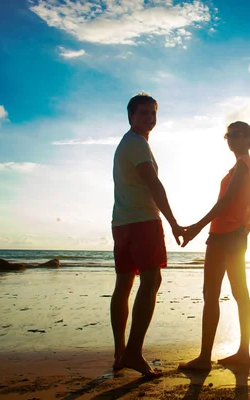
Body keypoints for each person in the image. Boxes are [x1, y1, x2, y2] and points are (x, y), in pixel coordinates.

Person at [110, 92, 183, 377]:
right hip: (142, 221)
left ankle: (120, 353)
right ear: (131, 116)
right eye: (143, 113)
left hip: (122, 222)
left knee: (125, 284)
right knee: (151, 280)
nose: (149, 118)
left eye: (153, 112)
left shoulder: (126, 144)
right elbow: (153, 183)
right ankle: (133, 352)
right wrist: (174, 222)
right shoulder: (137, 144)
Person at [178, 121, 250, 370]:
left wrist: (196, 227)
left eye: (238, 135)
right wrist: (244, 229)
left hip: (225, 237)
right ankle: (238, 353)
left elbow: (227, 201)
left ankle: (208, 358)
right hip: (230, 235)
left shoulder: (244, 167)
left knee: (220, 294)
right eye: (229, 136)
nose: (232, 140)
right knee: (229, 294)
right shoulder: (244, 167)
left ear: (249, 139)